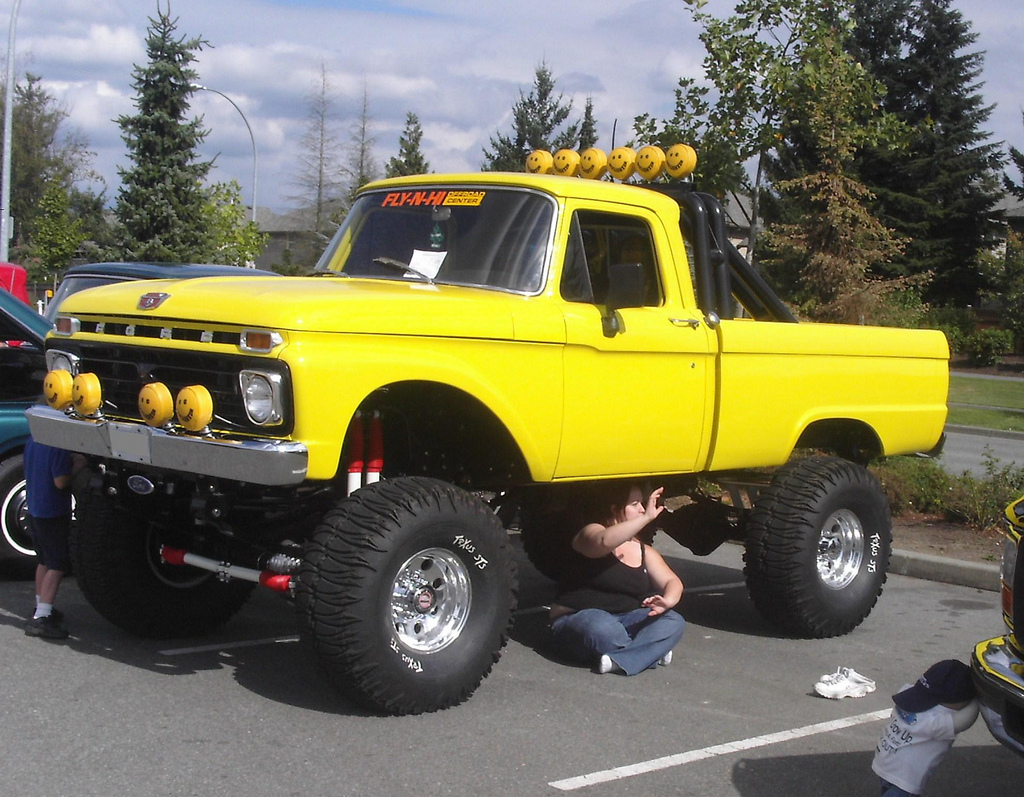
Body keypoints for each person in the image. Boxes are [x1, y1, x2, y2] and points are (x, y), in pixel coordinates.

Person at [548, 483, 685, 675]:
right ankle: (648, 653)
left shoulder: (642, 549)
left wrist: (668, 600)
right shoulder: (591, 531)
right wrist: (646, 519)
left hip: (624, 620)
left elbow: (673, 581)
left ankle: (624, 657)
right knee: (601, 628)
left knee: (673, 621)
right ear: (615, 508)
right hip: (580, 617)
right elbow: (603, 541)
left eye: (643, 505)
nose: (642, 509)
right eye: (635, 504)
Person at [872, 659, 980, 796]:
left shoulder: (907, 695)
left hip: (885, 761)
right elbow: (967, 719)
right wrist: (979, 694)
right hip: (904, 779)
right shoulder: (935, 723)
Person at [22, 435, 78, 640]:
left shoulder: (32, 440)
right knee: (57, 564)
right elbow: (60, 481)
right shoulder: (58, 445)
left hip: (34, 508)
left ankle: (41, 605)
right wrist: (78, 465)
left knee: (44, 560)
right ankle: (43, 617)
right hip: (53, 511)